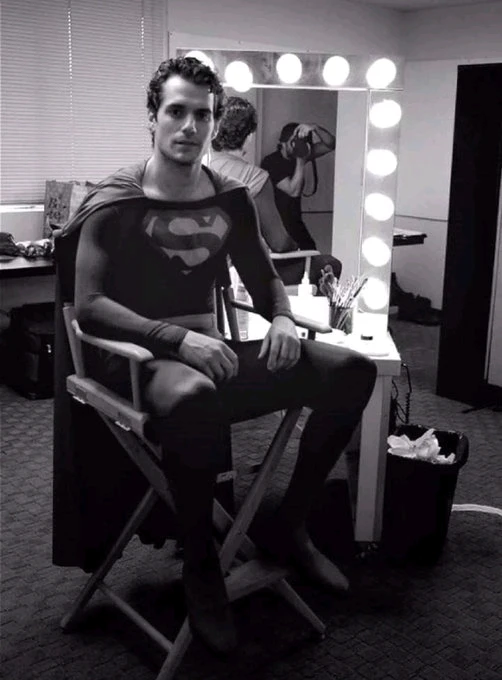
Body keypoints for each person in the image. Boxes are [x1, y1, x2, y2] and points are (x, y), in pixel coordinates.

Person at [53, 57, 376, 656]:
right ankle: (201, 564)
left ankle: (290, 525)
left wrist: (282, 318)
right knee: (196, 398)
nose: (189, 126)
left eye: (202, 114)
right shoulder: (115, 200)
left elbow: (262, 274)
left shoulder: (232, 198)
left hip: (212, 356)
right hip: (138, 362)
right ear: (152, 118)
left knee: (351, 372)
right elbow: (89, 306)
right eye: (176, 111)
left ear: (214, 121)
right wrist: (178, 340)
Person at [210, 96, 342, 286]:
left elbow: (330, 144)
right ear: (249, 136)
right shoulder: (259, 172)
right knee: (329, 264)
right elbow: (280, 243)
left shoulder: (198, 166)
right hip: (242, 270)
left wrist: (314, 128)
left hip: (206, 272)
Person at [261, 120, 337, 255]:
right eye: (294, 141)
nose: (297, 145)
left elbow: (331, 144)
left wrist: (315, 127)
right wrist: (301, 161)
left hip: (295, 222)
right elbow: (293, 191)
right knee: (289, 261)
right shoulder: (271, 162)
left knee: (311, 252)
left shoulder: (298, 156)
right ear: (283, 142)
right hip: (277, 225)